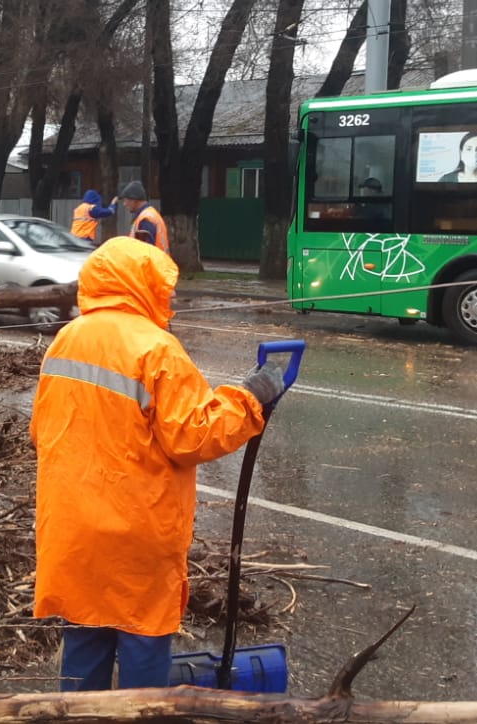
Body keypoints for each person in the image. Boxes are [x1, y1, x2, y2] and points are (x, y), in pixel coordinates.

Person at [30, 236, 286, 691]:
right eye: (163, 286)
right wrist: (250, 399)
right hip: (135, 530)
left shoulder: (66, 339)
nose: (170, 296)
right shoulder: (156, 348)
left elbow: (41, 431)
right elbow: (193, 436)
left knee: (86, 632)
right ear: (140, 284)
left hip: (72, 525)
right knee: (143, 635)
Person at [117, 181, 169, 252]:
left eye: (126, 200)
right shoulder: (147, 215)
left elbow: (146, 251)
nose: (124, 204)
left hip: (152, 262)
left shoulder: (146, 219)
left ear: (134, 200)